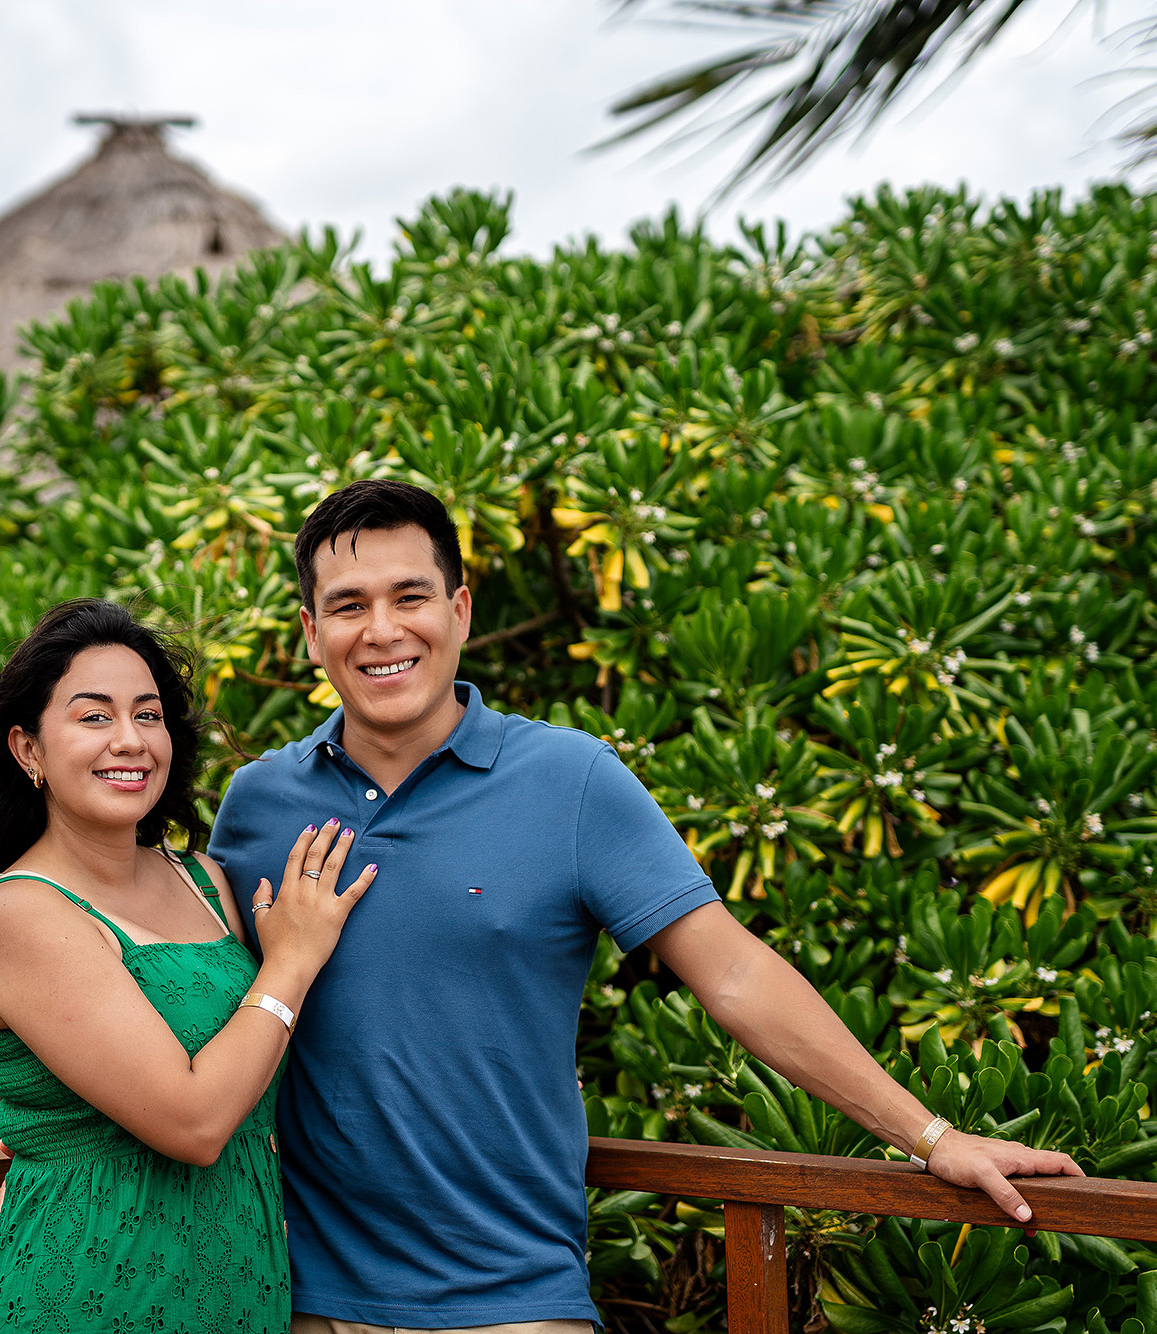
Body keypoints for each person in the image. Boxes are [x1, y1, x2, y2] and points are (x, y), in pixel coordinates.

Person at [205, 479, 1084, 1334]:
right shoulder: (258, 803)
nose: (384, 630)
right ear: (313, 634)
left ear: (461, 611)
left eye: (411, 596)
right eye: (350, 606)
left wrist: (931, 1137)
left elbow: (735, 973)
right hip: (298, 1295)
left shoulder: (570, 781)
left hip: (510, 1300)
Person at [0, 598, 373, 1334]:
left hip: (239, 1291)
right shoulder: (21, 914)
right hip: (83, 1301)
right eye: (94, 717)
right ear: (28, 750)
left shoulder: (205, 884)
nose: (130, 741)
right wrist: (290, 963)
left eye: (148, 715)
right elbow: (195, 1123)